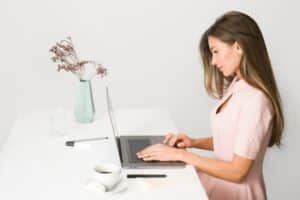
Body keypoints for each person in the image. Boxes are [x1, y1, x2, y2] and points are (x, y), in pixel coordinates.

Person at [136, 11, 284, 200]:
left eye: (215, 51)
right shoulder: (238, 85)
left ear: (238, 47)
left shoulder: (256, 101)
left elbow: (237, 172)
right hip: (219, 184)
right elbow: (232, 141)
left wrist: (182, 156)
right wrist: (193, 142)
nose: (213, 61)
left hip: (238, 193)